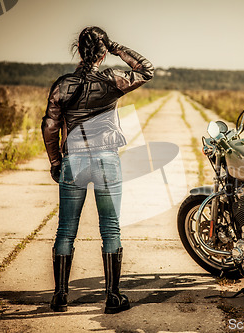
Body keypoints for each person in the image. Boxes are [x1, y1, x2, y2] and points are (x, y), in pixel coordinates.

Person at [41, 26, 154, 314]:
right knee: (110, 228)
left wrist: (55, 161)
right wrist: (116, 47)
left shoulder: (62, 85)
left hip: (73, 160)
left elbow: (50, 125)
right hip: (106, 159)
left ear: (79, 50)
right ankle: (113, 297)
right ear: (102, 53)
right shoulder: (111, 80)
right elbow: (146, 70)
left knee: (66, 230)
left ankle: (60, 296)